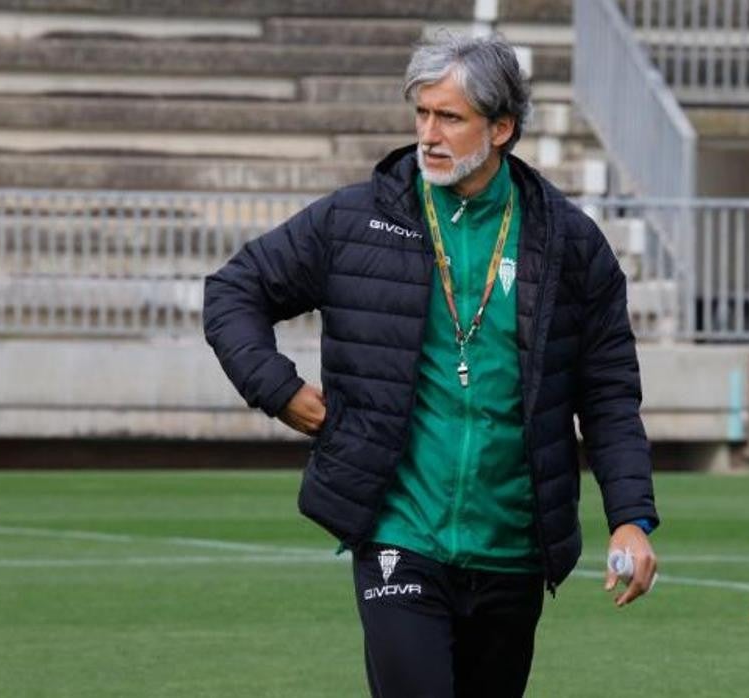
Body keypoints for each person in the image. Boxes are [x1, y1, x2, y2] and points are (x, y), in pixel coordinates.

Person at [203, 33, 658, 698]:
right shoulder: (356, 219)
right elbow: (233, 291)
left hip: (513, 547)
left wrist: (631, 516)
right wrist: (279, 389)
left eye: (450, 117)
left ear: (501, 128)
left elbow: (610, 395)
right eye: (422, 114)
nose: (429, 134)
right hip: (400, 533)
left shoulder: (570, 243)